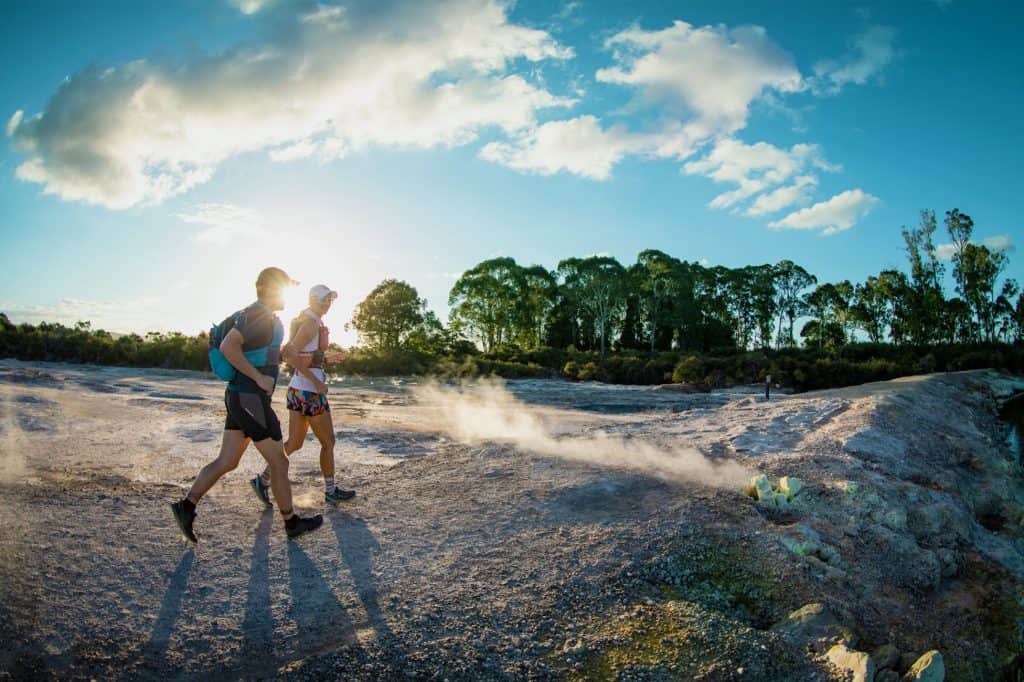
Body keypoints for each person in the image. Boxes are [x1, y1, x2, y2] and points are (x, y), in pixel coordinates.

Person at [171, 267, 323, 543]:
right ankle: (291, 523)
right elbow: (229, 346)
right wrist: (259, 378)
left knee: (227, 461)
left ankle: (187, 506)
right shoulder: (259, 316)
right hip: (249, 398)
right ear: (268, 290)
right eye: (283, 289)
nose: (286, 295)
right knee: (279, 461)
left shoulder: (262, 316)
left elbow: (260, 353)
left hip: (240, 397)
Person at [250, 284, 355, 506]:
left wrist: (326, 360)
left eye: (330, 300)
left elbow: (303, 355)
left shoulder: (310, 320)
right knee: (328, 442)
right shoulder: (310, 323)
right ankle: (330, 491)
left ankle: (263, 480)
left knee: (295, 443)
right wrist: (316, 381)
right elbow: (288, 353)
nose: (328, 304)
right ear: (313, 300)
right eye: (324, 300)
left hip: (297, 390)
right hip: (309, 392)